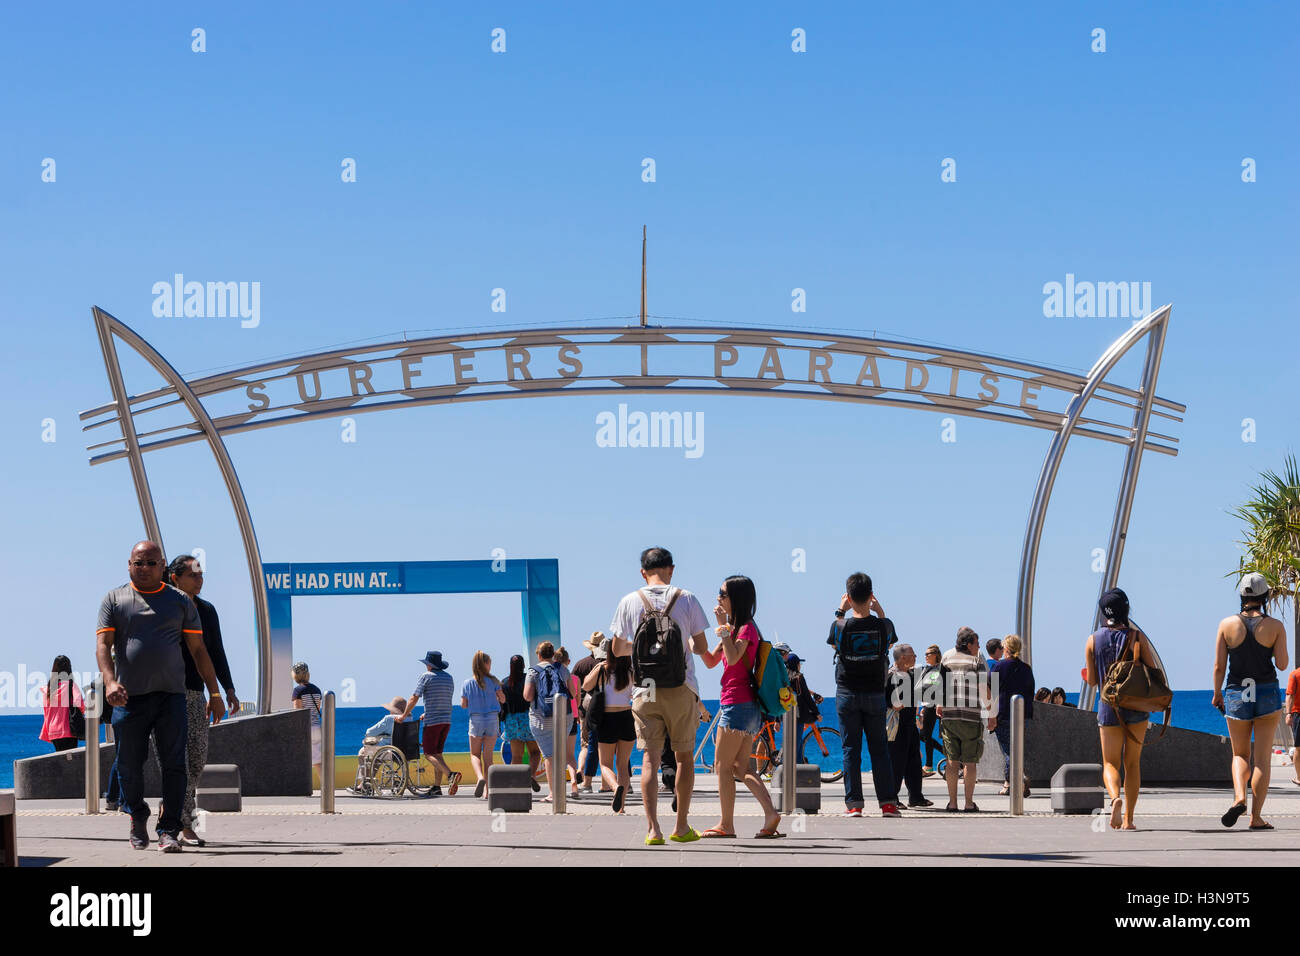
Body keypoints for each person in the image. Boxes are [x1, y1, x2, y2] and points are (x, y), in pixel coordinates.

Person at [96, 540, 226, 852]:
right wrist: (111, 682)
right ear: (129, 564)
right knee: (128, 763)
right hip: (128, 696)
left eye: (150, 563)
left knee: (175, 764)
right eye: (137, 563)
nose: (143, 568)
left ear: (162, 567)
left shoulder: (180, 601)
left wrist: (216, 691)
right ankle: (137, 817)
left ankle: (168, 830)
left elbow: (199, 650)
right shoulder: (114, 599)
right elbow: (103, 646)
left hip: (171, 696)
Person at [608, 546, 710, 845]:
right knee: (684, 758)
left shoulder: (629, 601)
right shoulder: (687, 598)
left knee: (650, 759)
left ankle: (653, 830)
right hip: (681, 686)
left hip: (645, 688)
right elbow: (702, 648)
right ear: (672, 569)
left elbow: (616, 650)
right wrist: (678, 646)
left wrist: (645, 649)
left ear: (643, 572)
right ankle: (681, 827)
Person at [699, 576, 783, 838]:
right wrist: (695, 640)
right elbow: (712, 661)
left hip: (737, 703)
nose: (718, 598)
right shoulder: (735, 629)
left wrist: (722, 627)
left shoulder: (745, 628)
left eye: (722, 593)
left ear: (736, 598)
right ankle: (771, 814)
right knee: (741, 767)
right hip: (743, 705)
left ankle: (726, 824)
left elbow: (734, 657)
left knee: (722, 765)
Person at [166, 554, 239, 847]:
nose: (200, 580)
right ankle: (184, 824)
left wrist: (225, 689)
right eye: (193, 575)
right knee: (179, 762)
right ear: (175, 578)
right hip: (168, 694)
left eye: (201, 574)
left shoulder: (207, 611)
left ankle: (171, 811)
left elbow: (215, 650)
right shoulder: (163, 607)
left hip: (196, 692)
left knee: (197, 759)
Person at [1213, 572, 1290, 830]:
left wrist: (1216, 693)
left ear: (1242, 596)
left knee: (1239, 753)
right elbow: (1281, 664)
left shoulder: (1226, 625)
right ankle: (1255, 817)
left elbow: (1218, 667)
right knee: (1262, 759)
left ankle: (1238, 797)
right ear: (1264, 596)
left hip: (1236, 692)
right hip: (1267, 693)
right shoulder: (1275, 626)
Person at [827, 572, 900, 817]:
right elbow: (889, 643)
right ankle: (888, 803)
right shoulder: (884, 625)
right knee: (879, 749)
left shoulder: (840, 625)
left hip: (847, 692)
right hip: (875, 694)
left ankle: (854, 804)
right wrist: (879, 611)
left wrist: (840, 610)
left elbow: (835, 643)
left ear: (848, 597)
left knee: (851, 750)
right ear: (871, 596)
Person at [1084, 587, 1156, 830]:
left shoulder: (1093, 640)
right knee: (1132, 763)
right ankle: (1129, 819)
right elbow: (1152, 669)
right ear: (1126, 609)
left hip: (1108, 707)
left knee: (1110, 763)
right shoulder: (1137, 637)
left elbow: (1093, 681)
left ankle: (1115, 798)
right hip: (1135, 705)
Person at [939, 626, 994, 812]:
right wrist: (991, 713)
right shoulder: (975, 660)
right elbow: (983, 689)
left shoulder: (946, 656)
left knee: (952, 761)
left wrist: (939, 704)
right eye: (977, 644)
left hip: (949, 716)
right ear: (969, 644)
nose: (979, 647)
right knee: (970, 762)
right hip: (971, 717)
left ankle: (952, 803)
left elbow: (940, 684)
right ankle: (969, 803)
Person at [582, 638, 637, 812]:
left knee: (605, 764)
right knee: (623, 763)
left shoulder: (603, 670)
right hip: (627, 717)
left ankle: (615, 788)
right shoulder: (631, 671)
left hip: (607, 718)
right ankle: (621, 807)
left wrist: (599, 667)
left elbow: (585, 685)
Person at [399, 651, 461, 797]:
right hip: (446, 721)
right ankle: (437, 787)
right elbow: (443, 699)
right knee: (438, 754)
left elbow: (414, 697)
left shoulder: (426, 677)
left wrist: (403, 715)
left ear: (429, 665)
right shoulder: (448, 678)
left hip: (432, 722)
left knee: (428, 754)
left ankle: (451, 774)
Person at [524, 641, 579, 802]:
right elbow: (573, 692)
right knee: (560, 754)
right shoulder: (562, 669)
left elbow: (527, 696)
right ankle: (561, 790)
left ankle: (553, 793)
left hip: (541, 719)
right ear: (552, 654)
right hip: (564, 718)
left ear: (539, 655)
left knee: (549, 756)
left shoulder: (533, 671)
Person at [887, 644, 932, 807]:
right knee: (896, 762)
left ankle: (916, 796)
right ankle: (892, 798)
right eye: (913, 655)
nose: (915, 657)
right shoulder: (891, 675)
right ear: (903, 658)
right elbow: (885, 699)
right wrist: (894, 705)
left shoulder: (912, 675)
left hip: (910, 723)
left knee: (914, 762)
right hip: (896, 725)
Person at [990, 634, 1035, 797]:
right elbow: (1030, 692)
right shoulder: (1026, 668)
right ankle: (1009, 783)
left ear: (1006, 649)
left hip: (1003, 714)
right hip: (1022, 715)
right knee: (1016, 749)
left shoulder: (999, 667)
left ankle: (1018, 779)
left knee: (1009, 751)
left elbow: (990, 690)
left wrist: (989, 715)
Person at [462, 651, 506, 798]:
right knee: (488, 758)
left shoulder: (467, 683)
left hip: (476, 720)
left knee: (474, 754)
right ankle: (488, 791)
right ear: (486, 664)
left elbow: (463, 705)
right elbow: (503, 699)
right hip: (492, 719)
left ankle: (480, 777)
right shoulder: (494, 681)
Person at [500, 655, 542, 792]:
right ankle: (531, 775)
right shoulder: (528, 680)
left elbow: (502, 705)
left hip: (511, 721)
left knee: (516, 756)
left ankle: (516, 784)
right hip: (527, 718)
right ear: (524, 665)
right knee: (535, 752)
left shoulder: (504, 683)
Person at [571, 634, 604, 792]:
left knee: (586, 745)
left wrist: (577, 710)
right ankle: (608, 782)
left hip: (585, 709)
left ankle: (581, 772)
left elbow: (573, 687)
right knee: (607, 746)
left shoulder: (581, 664)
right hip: (607, 708)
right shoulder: (607, 664)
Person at [40, 655, 84, 752]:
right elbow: (80, 705)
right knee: (70, 762)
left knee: (61, 760)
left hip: (53, 731)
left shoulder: (48, 690)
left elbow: (46, 713)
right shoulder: (70, 685)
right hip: (68, 730)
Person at [290, 663, 325, 786]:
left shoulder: (297, 691)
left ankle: (304, 785)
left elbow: (298, 713)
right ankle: (324, 785)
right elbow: (317, 710)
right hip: (317, 727)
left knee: (303, 759)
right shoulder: (317, 689)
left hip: (306, 729)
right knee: (317, 760)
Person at [556, 647, 582, 794]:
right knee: (570, 755)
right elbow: (577, 701)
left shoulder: (554, 677)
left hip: (557, 718)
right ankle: (573, 781)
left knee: (557, 753)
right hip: (572, 716)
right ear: (569, 661)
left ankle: (558, 786)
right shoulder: (576, 679)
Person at [786, 653, 821, 763]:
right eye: (799, 663)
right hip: (798, 714)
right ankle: (796, 769)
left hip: (786, 713)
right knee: (797, 742)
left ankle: (798, 764)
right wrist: (816, 713)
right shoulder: (799, 677)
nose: (800, 665)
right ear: (796, 664)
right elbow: (806, 696)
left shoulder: (785, 676)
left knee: (794, 742)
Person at [917, 644, 943, 775]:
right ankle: (945, 753)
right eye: (925, 654)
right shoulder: (928, 669)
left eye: (928, 654)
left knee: (925, 735)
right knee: (923, 735)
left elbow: (935, 688)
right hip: (926, 705)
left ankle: (928, 766)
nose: (926, 656)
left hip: (933, 705)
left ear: (935, 655)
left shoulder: (938, 670)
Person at [1287, 667, 1300, 786]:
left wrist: (1288, 714)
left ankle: (1299, 778)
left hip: (1298, 713)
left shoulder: (1295, 674)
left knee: (1298, 748)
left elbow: (1290, 695)